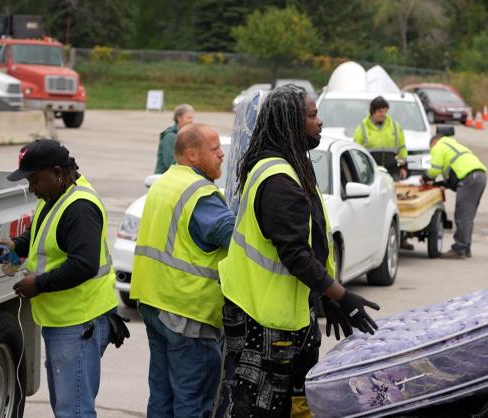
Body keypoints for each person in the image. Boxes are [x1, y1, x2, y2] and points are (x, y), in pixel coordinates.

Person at [219, 85, 380, 417]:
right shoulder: (278, 179)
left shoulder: (293, 166)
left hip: (285, 315)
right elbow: (294, 253)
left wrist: (322, 298)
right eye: (312, 115)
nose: (319, 122)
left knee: (295, 403)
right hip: (262, 320)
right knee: (262, 408)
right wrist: (339, 295)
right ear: (291, 123)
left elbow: (315, 242)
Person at [4, 139, 120, 417]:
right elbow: (38, 234)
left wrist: (38, 284)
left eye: (34, 180)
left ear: (57, 172)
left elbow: (84, 265)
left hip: (80, 323)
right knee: (67, 408)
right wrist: (14, 247)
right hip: (64, 321)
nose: (31, 188)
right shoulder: (55, 195)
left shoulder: (79, 208)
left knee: (74, 411)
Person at [130, 123, 234, 418]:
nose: (222, 155)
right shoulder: (201, 194)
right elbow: (235, 237)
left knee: (162, 397)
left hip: (154, 305)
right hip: (187, 313)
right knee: (193, 400)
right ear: (192, 154)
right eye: (214, 150)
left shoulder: (164, 182)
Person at [423, 134, 487, 259]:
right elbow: (456, 172)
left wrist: (425, 177)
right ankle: (466, 247)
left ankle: (459, 249)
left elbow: (433, 171)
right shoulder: (454, 145)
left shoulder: (439, 146)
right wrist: (443, 184)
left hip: (470, 178)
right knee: (468, 215)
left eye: (431, 148)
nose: (432, 151)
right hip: (480, 177)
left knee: (462, 215)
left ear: (434, 142)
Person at [353, 96, 408, 180]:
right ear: (372, 112)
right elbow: (356, 152)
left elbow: (402, 149)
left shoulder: (395, 126)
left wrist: (403, 167)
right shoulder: (362, 128)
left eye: (385, 111)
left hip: (392, 172)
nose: (383, 114)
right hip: (370, 173)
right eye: (380, 111)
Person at [155, 104, 195, 174]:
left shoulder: (186, 135)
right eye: (189, 118)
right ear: (179, 118)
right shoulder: (170, 136)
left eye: (192, 118)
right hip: (165, 179)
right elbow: (170, 163)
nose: (191, 121)